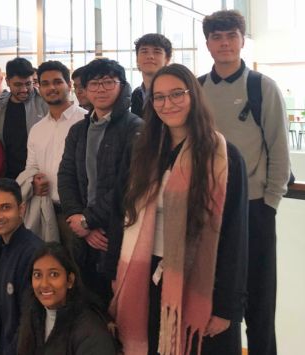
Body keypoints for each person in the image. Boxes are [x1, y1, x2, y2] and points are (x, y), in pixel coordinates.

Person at [111, 63, 248, 355]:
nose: (167, 103)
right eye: (158, 97)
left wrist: (226, 307)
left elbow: (235, 235)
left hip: (197, 281)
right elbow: (120, 215)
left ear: (193, 96)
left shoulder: (223, 157)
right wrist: (113, 273)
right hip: (145, 276)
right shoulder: (142, 151)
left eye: (176, 94)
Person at [200, 10, 290, 355]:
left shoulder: (261, 86)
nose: (224, 43)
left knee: (260, 301)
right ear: (207, 44)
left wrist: (270, 203)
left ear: (241, 40)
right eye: (217, 37)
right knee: (218, 298)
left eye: (231, 36)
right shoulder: (197, 87)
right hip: (209, 209)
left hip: (255, 208)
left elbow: (279, 149)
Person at [57, 58, 142, 309]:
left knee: (120, 306)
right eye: (94, 83)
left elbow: (129, 184)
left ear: (122, 86)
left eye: (108, 82)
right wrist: (76, 217)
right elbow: (66, 175)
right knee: (87, 303)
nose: (101, 89)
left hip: (118, 231)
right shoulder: (78, 130)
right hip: (82, 234)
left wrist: (89, 221)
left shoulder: (135, 128)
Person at [0, 178, 43, 355]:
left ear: (21, 209)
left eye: (5, 207)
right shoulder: (0, 249)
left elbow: (31, 322)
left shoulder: (34, 254)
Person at [16, 242, 117, 355]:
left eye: (54, 274)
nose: (44, 284)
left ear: (70, 280)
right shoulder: (33, 315)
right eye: (37, 275)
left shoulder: (90, 330)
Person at [25, 60, 86, 244]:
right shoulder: (37, 129)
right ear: (39, 88)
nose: (51, 87)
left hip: (79, 215)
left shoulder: (86, 121)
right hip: (47, 212)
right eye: (45, 83)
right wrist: (34, 180)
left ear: (69, 85)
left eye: (57, 82)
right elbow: (32, 166)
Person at [0, 57, 48, 179]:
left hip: (39, 174)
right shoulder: (0, 107)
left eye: (28, 84)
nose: (24, 90)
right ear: (8, 81)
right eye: (18, 85)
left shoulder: (44, 103)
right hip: (8, 176)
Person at [131, 33, 172, 117]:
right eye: (144, 51)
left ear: (167, 59)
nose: (150, 56)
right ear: (137, 59)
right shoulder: (136, 95)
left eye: (157, 51)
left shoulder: (173, 93)